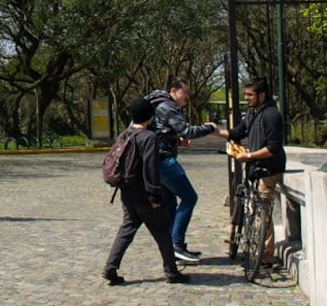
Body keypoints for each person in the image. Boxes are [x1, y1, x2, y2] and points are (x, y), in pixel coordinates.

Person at [102, 98, 190, 285]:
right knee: (163, 231)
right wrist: (155, 196)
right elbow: (150, 169)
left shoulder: (125, 134)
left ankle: (110, 267)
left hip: (126, 191)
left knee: (126, 229)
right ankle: (172, 272)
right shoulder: (149, 137)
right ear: (150, 116)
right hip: (144, 194)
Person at [145, 78, 217, 262]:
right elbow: (187, 131)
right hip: (164, 161)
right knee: (189, 197)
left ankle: (171, 248)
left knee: (170, 205)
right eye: (184, 93)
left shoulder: (157, 105)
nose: (186, 98)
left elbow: (160, 132)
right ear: (174, 90)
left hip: (155, 160)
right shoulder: (168, 107)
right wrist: (209, 127)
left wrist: (176, 141)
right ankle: (176, 244)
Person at [217, 75, 286, 267]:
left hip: (270, 169)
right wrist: (215, 131)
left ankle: (266, 256)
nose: (246, 98)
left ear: (262, 95)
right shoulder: (252, 112)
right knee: (255, 208)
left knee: (262, 209)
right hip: (255, 167)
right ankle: (260, 250)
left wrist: (248, 156)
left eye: (250, 95)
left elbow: (272, 148)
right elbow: (238, 132)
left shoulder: (272, 115)